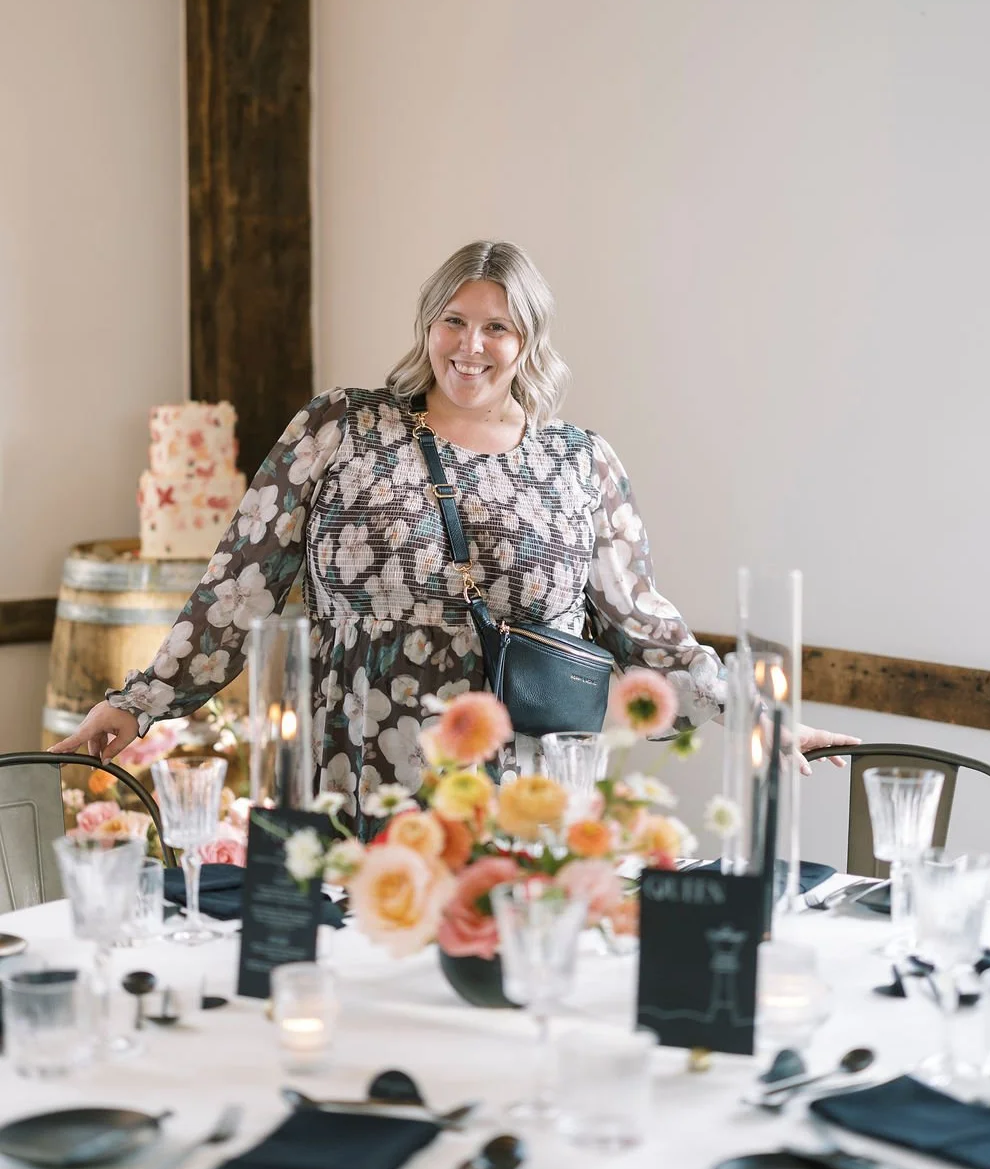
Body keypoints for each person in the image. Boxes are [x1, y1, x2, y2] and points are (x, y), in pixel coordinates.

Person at [52, 241, 855, 835]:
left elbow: (643, 623)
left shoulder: (579, 462)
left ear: (529, 341)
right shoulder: (342, 428)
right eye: (455, 321)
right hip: (358, 775)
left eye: (498, 328)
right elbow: (240, 583)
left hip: (522, 787)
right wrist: (141, 701)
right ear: (428, 325)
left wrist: (753, 712)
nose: (472, 347)